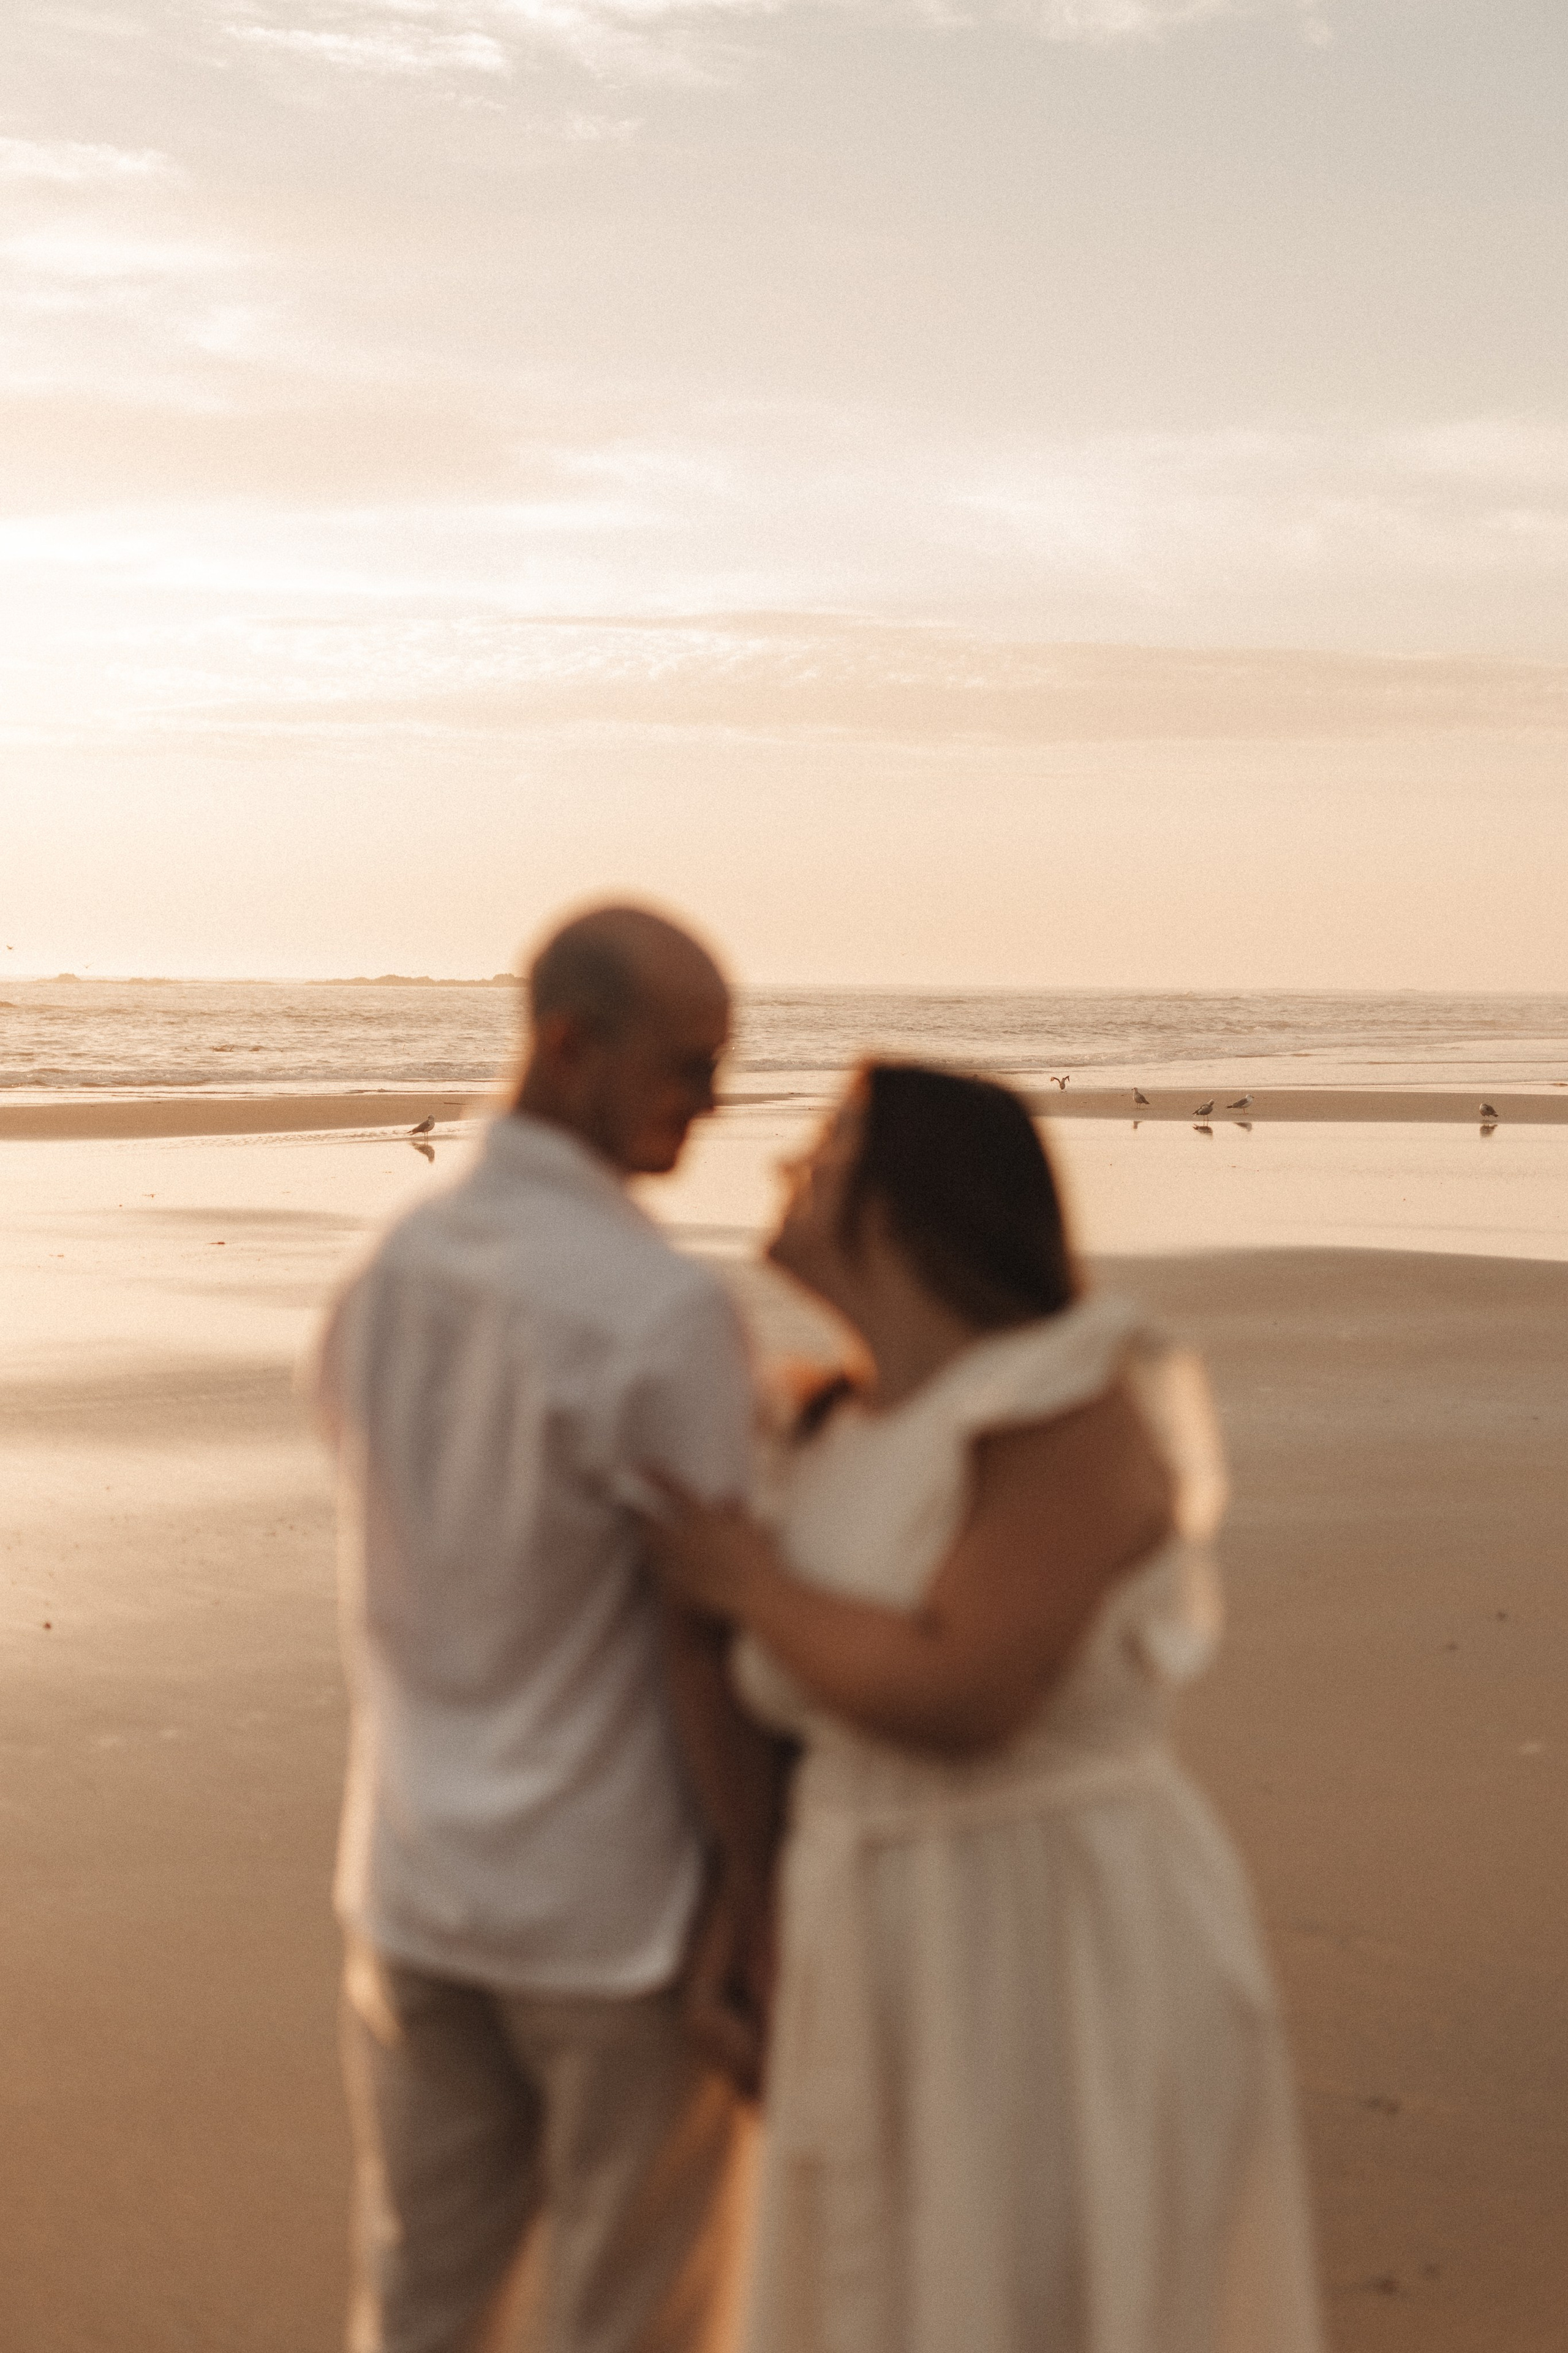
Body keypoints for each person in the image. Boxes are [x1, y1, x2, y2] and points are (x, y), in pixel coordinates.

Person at [641, 1062, 1324, 2353]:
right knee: (876, 2290)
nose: (787, 1162)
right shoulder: (818, 1425)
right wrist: (747, 1908)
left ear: (910, 1198)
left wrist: (745, 1580)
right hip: (860, 1910)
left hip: (1048, 1918)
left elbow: (963, 1689)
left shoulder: (1066, 1400)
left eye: (829, 1141)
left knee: (1042, 2282)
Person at [309, 904, 782, 2353]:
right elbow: (703, 1639)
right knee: (631, 2318)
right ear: (567, 1045)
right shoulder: (657, 1312)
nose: (710, 1103)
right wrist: (757, 1901)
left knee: (420, 2303)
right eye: (686, 1066)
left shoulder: (383, 1275)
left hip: (412, 1878)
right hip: (612, 1912)